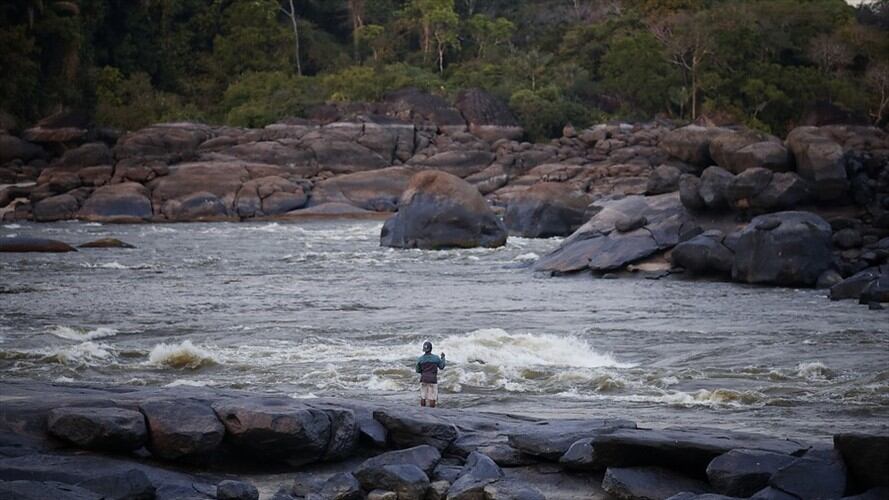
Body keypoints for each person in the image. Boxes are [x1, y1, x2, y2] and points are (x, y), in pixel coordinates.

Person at [416, 341, 446, 407]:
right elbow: (442, 367)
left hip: (423, 379)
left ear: (424, 349)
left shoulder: (420, 359)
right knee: (432, 398)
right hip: (433, 380)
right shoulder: (436, 358)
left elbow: (418, 370)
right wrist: (443, 358)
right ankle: (432, 412)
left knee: (423, 397)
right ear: (431, 348)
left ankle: (422, 411)